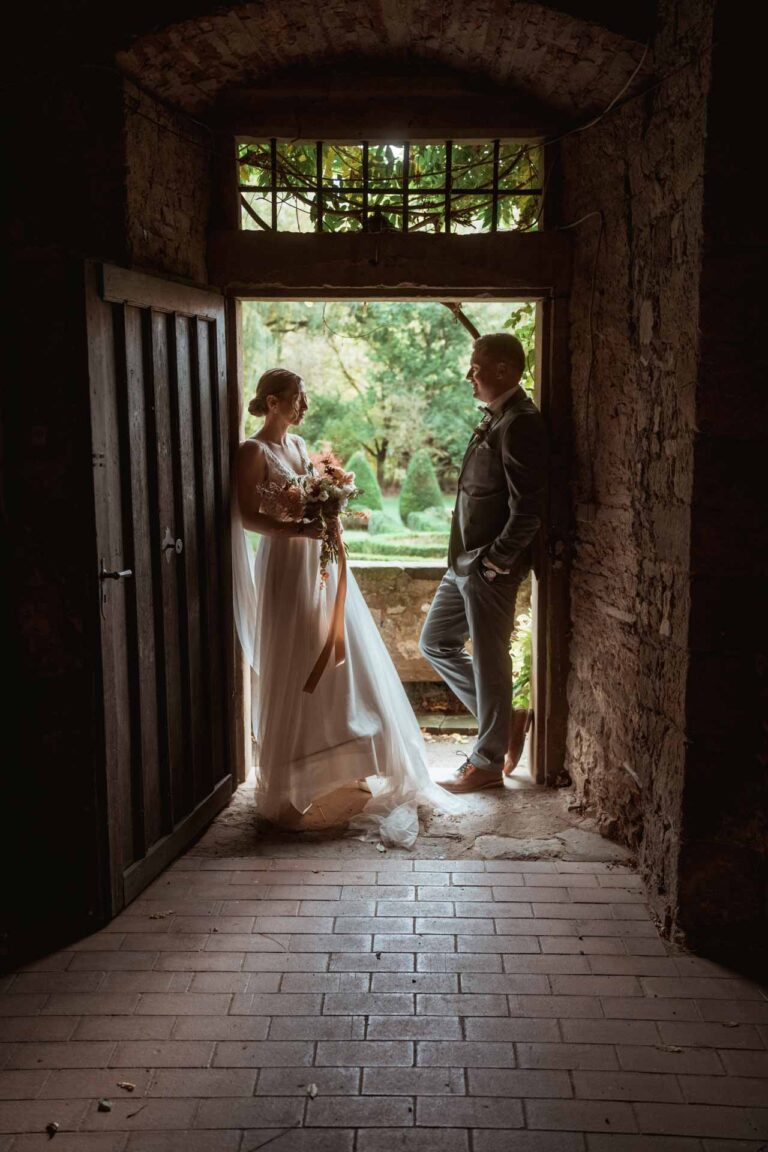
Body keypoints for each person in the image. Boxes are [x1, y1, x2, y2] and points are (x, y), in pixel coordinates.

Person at [231, 367, 454, 846]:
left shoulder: (297, 443)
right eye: (296, 397)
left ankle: (336, 761)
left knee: (336, 656)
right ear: (272, 402)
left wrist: (328, 510)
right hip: (284, 563)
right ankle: (291, 779)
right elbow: (246, 515)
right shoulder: (254, 450)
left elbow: (311, 496)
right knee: (293, 656)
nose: (303, 405)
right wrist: (296, 529)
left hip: (318, 559)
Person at [419, 333, 549, 793]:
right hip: (464, 564)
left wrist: (496, 562)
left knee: (491, 660)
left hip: (487, 567)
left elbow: (529, 505)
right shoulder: (497, 418)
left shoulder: (520, 423)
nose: (468, 376)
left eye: (475, 368)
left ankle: (488, 762)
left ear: (502, 370)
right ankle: (505, 721)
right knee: (434, 642)